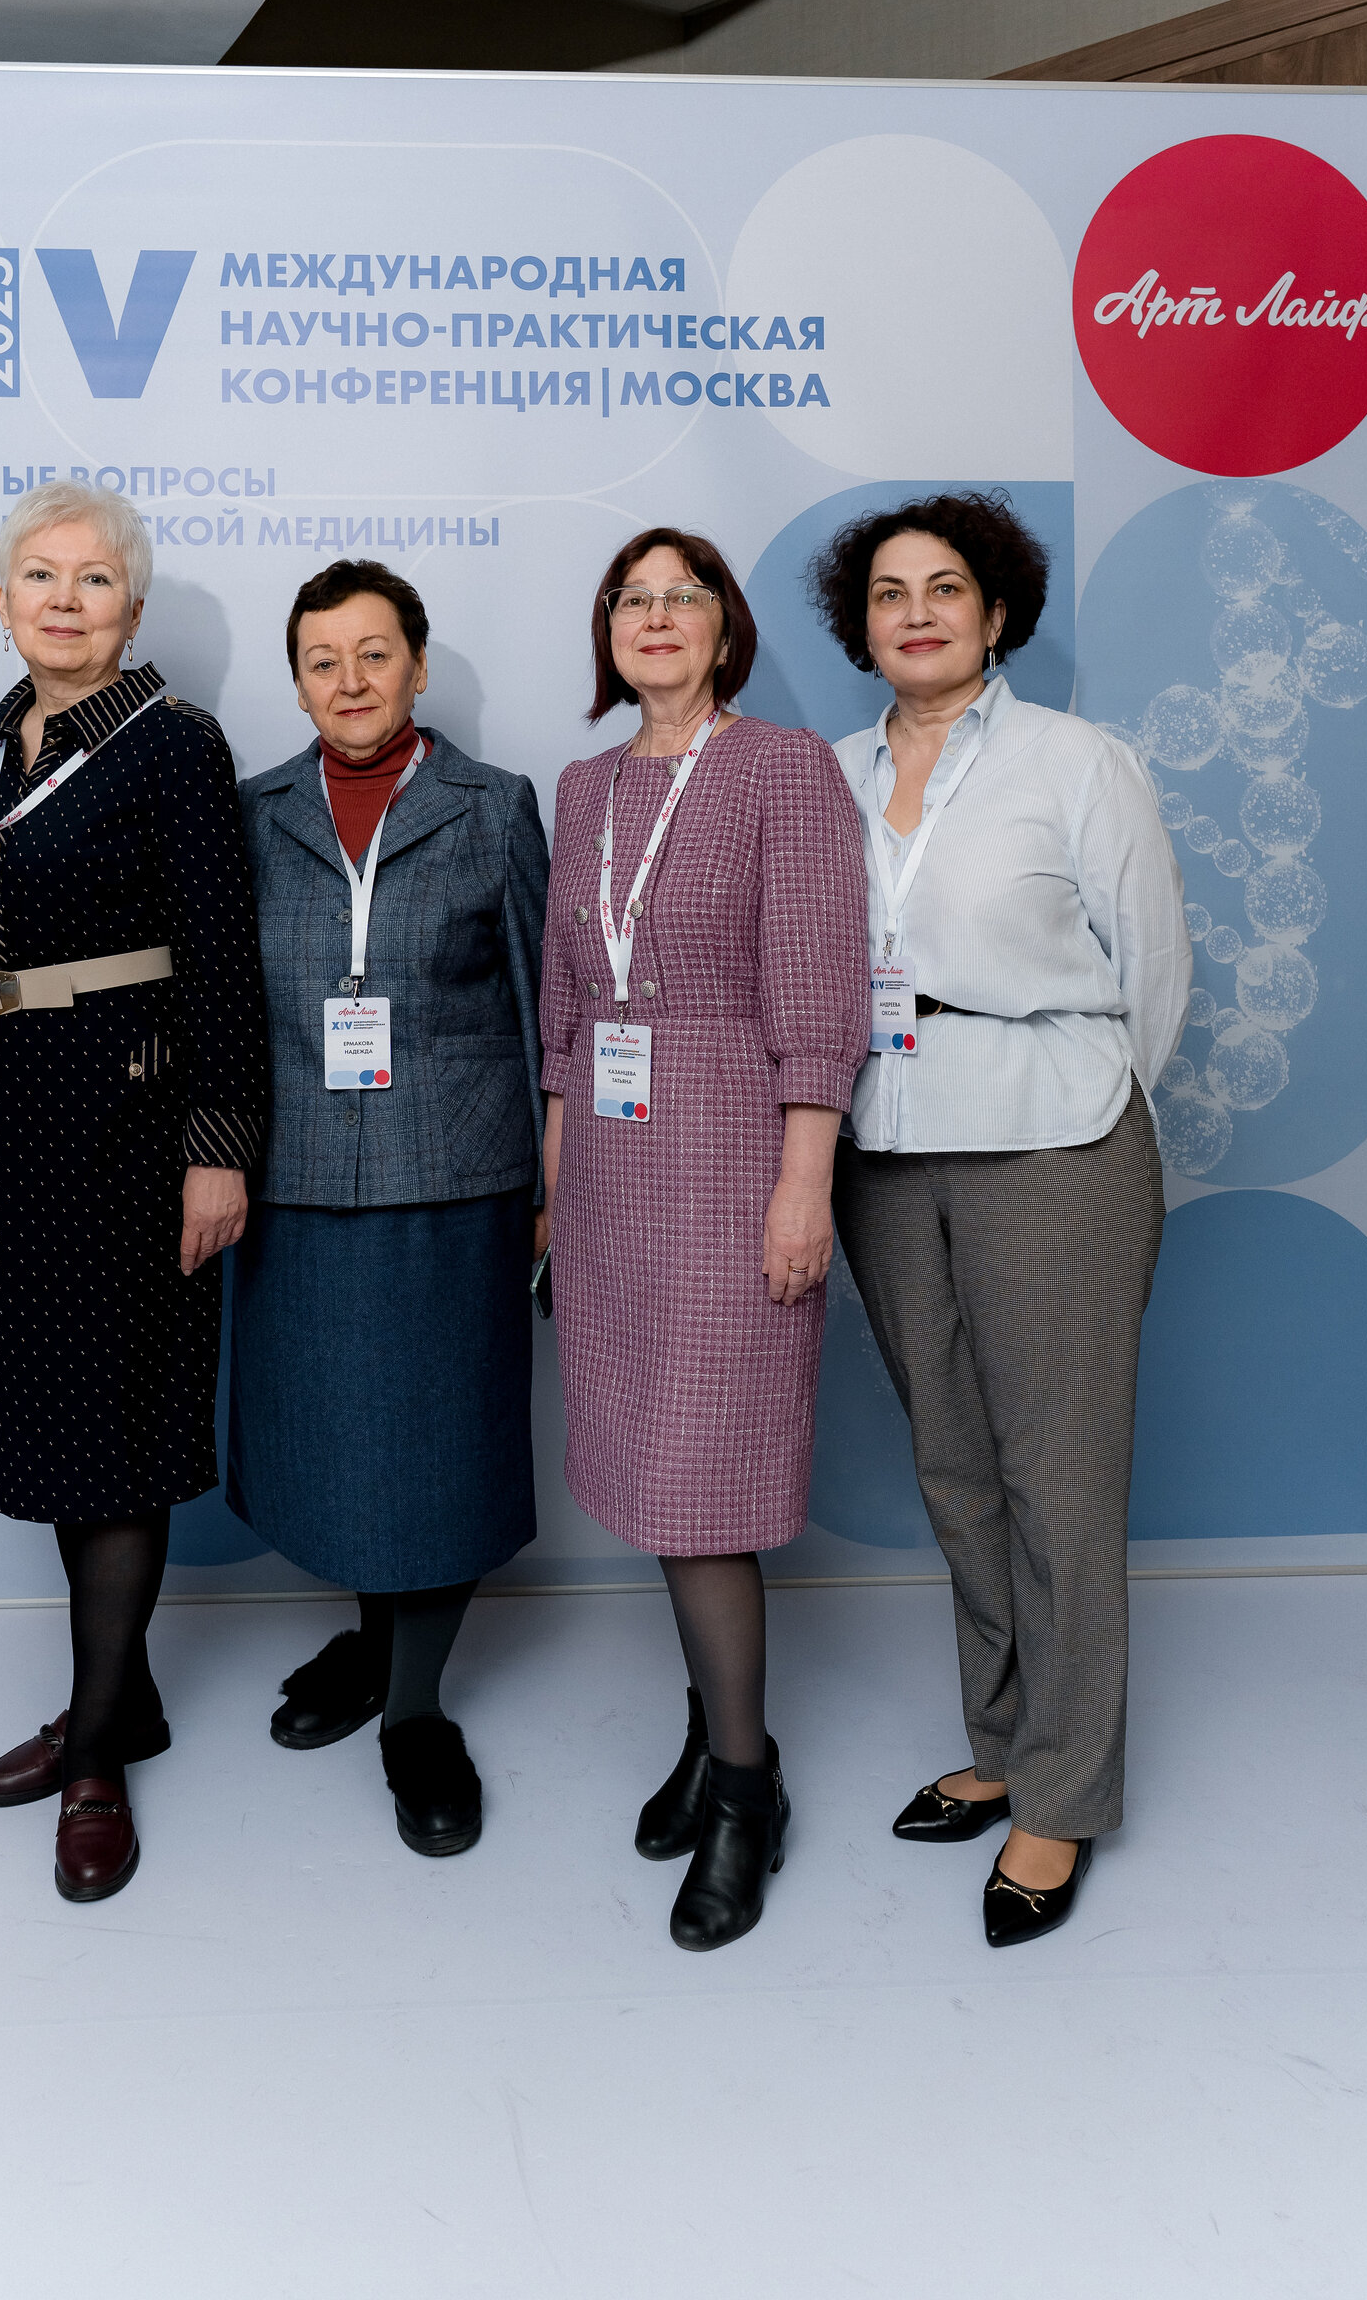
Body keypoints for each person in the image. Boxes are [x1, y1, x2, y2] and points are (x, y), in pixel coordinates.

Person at [813, 491, 1191, 1947]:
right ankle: (1002, 1739)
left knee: (1061, 1480)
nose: (915, 612)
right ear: (860, 625)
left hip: (1052, 1140)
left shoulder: (1075, 763)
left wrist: (1092, 1104)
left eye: (944, 588)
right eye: (888, 592)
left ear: (997, 612)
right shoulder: (829, 774)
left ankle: (1065, 1793)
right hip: (885, 1145)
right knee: (957, 1469)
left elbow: (1153, 969)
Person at [0, 479, 268, 1903]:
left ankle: (99, 1753)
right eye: (40, 577)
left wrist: (220, 1143)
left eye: (95, 579)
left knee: (116, 1423)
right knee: (56, 1411)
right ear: (5, 600)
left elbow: (223, 956)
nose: (65, 600)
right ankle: (123, 1697)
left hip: (122, 1123)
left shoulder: (175, 746)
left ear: (133, 605)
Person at [539, 529, 868, 1952]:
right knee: (647, 1461)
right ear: (607, 631)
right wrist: (555, 1192)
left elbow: (819, 990)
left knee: (703, 1481)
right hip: (611, 1176)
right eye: (634, 598)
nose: (658, 616)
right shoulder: (586, 788)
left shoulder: (785, 771)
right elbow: (565, 1011)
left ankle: (746, 1787)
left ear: (725, 628)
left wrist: (805, 1184)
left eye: (685, 597)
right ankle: (708, 1735)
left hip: (736, 1160)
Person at [227, 558, 548, 1857]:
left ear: (417, 665)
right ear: (297, 682)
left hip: (456, 1178)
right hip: (299, 1176)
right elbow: (222, 1008)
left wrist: (553, 1191)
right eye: (323, 661)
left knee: (439, 1453)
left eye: (374, 654)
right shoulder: (253, 813)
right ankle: (370, 1650)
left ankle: (415, 1712)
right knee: (339, 1444)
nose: (350, 681)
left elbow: (543, 1004)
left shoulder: (492, 805)